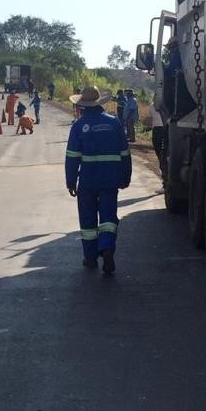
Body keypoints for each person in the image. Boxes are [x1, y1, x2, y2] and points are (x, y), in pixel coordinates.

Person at [66, 86, 132, 274]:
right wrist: (125, 177)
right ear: (100, 103)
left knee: (88, 220)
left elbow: (72, 157)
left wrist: (71, 182)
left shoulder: (78, 126)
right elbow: (125, 154)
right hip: (110, 180)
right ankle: (107, 248)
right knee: (108, 218)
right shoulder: (114, 124)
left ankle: (91, 257)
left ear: (82, 106)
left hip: (87, 180)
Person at [147, 95, 168, 193]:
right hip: (163, 130)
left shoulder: (152, 106)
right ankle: (165, 181)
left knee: (161, 156)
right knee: (162, 156)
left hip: (159, 130)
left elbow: (149, 121)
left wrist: (148, 127)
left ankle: (165, 182)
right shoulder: (166, 105)